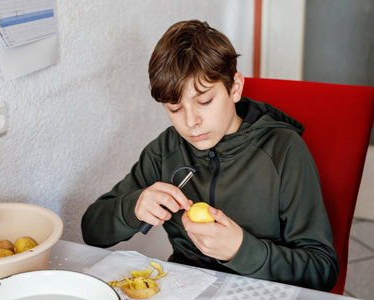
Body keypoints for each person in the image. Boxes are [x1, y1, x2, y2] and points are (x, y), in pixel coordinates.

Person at [81, 19, 339, 291]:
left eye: (204, 101)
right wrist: (134, 206)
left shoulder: (284, 150)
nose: (191, 122)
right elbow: (92, 230)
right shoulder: (166, 149)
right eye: (174, 108)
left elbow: (322, 270)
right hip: (186, 288)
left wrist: (241, 249)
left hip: (264, 290)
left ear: (235, 88)